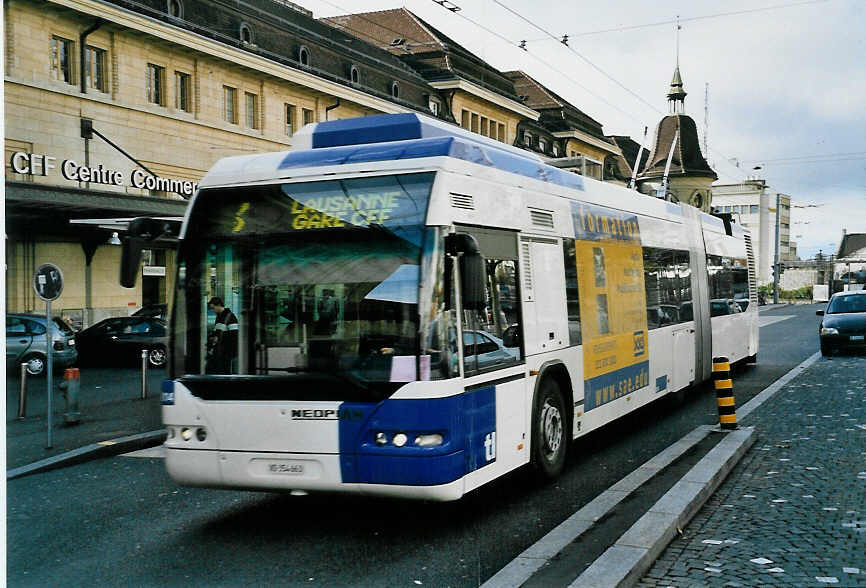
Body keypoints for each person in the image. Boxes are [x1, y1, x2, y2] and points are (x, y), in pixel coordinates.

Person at [207, 296, 238, 374]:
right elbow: (217, 332)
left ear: (219, 305)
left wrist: (219, 339)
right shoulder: (219, 317)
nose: (213, 311)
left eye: (213, 308)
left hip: (226, 352)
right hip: (220, 352)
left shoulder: (230, 316)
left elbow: (234, 335)